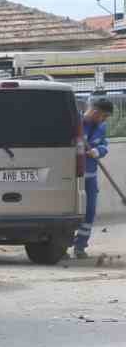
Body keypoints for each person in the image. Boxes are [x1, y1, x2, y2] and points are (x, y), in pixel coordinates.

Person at [74, 96, 114, 259]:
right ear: (96, 112)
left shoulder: (101, 127)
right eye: (104, 116)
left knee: (89, 211)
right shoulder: (75, 122)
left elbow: (104, 145)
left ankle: (80, 246)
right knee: (69, 213)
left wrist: (97, 151)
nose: (105, 120)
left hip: (90, 178)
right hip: (73, 178)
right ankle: (62, 247)